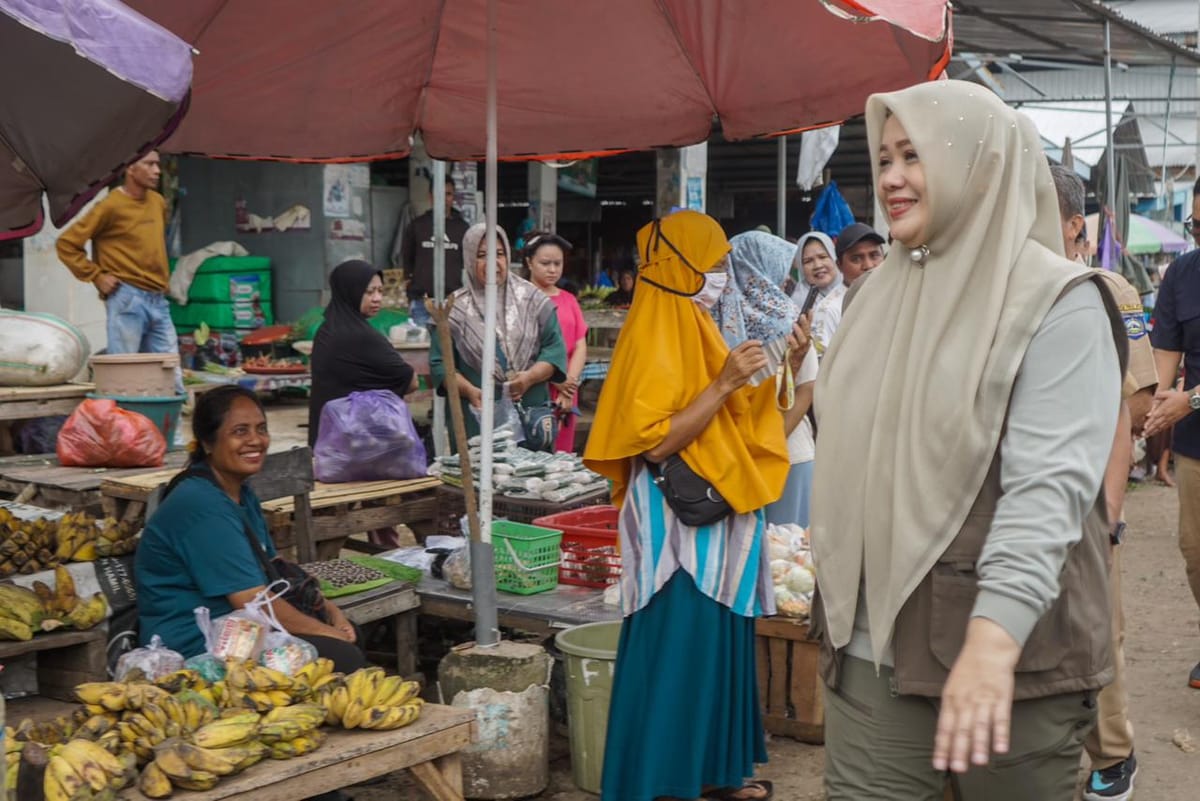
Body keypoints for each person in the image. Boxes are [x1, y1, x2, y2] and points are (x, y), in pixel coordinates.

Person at [811, 81, 1125, 800]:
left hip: (1014, 661)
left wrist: (994, 636)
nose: (892, 178)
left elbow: (1047, 488)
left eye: (915, 155)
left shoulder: (1057, 300)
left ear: (978, 163)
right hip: (872, 647)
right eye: (884, 159)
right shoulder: (871, 297)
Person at [585, 210, 808, 801]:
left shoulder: (699, 325)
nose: (720, 277)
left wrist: (787, 368)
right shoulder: (651, 335)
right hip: (674, 528)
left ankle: (714, 776)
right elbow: (655, 442)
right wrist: (724, 383)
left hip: (716, 518)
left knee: (716, 648)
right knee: (678, 649)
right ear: (677, 267)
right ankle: (659, 783)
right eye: (712, 265)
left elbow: (741, 423)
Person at [1051, 164, 1156, 801]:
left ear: (1073, 225)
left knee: (1096, 630)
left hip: (1090, 495)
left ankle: (1114, 754)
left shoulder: (1107, 289)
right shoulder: (1007, 284)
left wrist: (1110, 511)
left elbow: (1136, 403)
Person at [135, 385, 366, 673]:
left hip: (241, 628)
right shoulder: (201, 504)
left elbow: (272, 571)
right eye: (240, 431)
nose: (256, 440)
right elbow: (251, 601)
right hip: (198, 644)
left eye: (261, 429)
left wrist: (332, 612)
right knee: (343, 656)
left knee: (350, 633)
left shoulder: (240, 493)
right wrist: (327, 632)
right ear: (207, 443)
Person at [56, 150, 182, 394]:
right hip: (127, 298)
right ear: (130, 168)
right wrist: (96, 275)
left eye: (158, 164)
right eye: (149, 164)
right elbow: (67, 244)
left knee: (170, 377)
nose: (157, 171)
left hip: (158, 299)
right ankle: (121, 420)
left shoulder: (157, 202)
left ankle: (169, 421)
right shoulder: (111, 205)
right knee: (125, 379)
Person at [714, 230, 818, 526]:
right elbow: (807, 388)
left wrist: (762, 442)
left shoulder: (718, 321)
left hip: (742, 453)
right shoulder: (790, 319)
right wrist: (772, 438)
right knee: (785, 547)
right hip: (786, 449)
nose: (785, 279)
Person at [431, 223, 567, 444]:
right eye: (482, 255)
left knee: (530, 466)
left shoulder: (534, 300)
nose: (493, 262)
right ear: (468, 259)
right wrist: (469, 390)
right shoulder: (453, 309)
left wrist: (529, 377)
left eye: (500, 254)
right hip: (475, 417)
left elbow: (554, 349)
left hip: (530, 414)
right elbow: (440, 364)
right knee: (479, 464)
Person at [1144, 176, 1200, 690]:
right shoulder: (1181, 275)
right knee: (1194, 551)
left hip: (1194, 410)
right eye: (1197, 227)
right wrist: (1155, 406)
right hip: (1194, 445)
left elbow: (1188, 394)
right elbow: (1165, 356)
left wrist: (1191, 398)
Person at [308, 260, 417, 447]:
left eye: (380, 291)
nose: (377, 298)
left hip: (329, 441)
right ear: (349, 291)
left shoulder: (326, 330)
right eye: (369, 292)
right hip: (360, 445)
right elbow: (411, 381)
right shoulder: (361, 335)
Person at [523, 232, 588, 452]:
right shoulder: (521, 299)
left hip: (567, 387)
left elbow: (580, 344)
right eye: (545, 263)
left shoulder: (569, 299)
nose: (552, 269)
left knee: (562, 453)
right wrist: (556, 378)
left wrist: (569, 384)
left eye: (557, 264)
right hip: (534, 385)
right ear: (529, 263)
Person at [396, 175, 469, 328]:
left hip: (452, 303)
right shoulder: (417, 226)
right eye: (439, 194)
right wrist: (410, 286)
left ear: (453, 197)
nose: (444, 198)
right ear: (431, 196)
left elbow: (468, 263)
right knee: (421, 342)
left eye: (448, 194)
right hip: (421, 303)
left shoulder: (462, 228)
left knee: (450, 343)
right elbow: (407, 259)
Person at [810, 222, 885, 351]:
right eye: (856, 259)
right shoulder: (829, 310)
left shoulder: (894, 295)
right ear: (839, 265)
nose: (868, 265)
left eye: (874, 255)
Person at [788, 232, 842, 354]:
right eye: (808, 261)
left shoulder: (850, 289)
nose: (817, 265)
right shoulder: (797, 304)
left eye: (823, 257)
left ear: (834, 257)